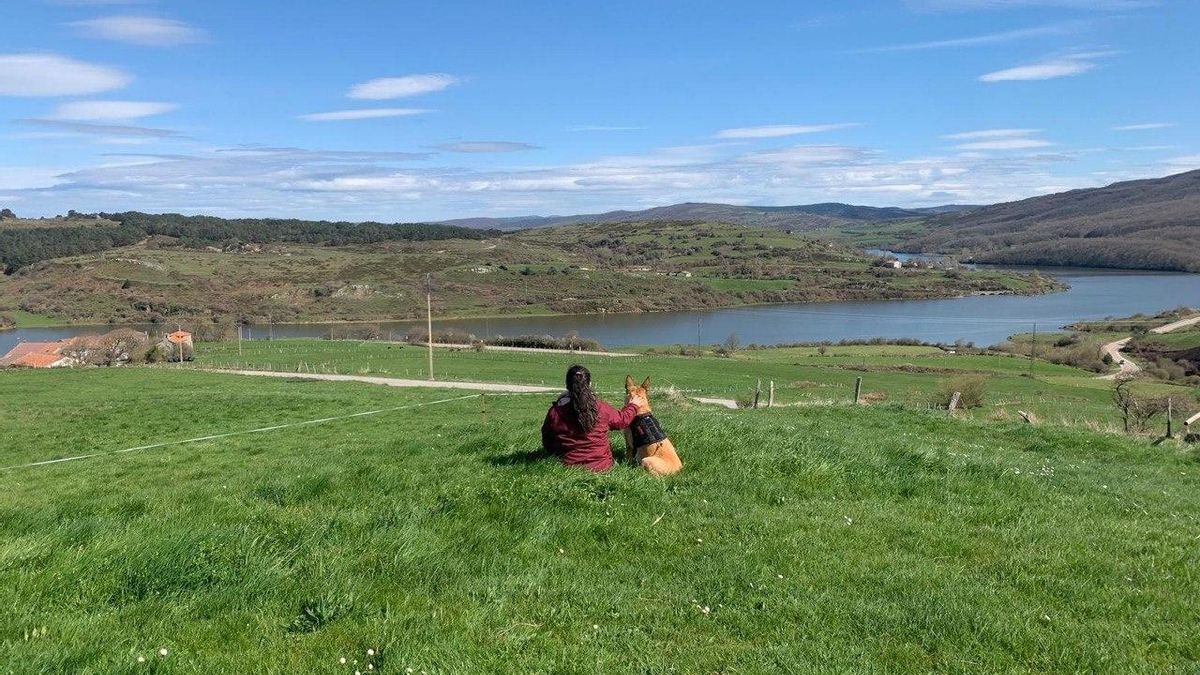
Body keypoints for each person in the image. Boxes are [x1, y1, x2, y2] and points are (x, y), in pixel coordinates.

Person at [541, 364, 645, 472]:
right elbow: (622, 420)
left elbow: (547, 442)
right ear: (589, 384)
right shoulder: (601, 408)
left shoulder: (555, 412)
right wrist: (633, 405)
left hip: (568, 468)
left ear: (567, 385)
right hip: (602, 467)